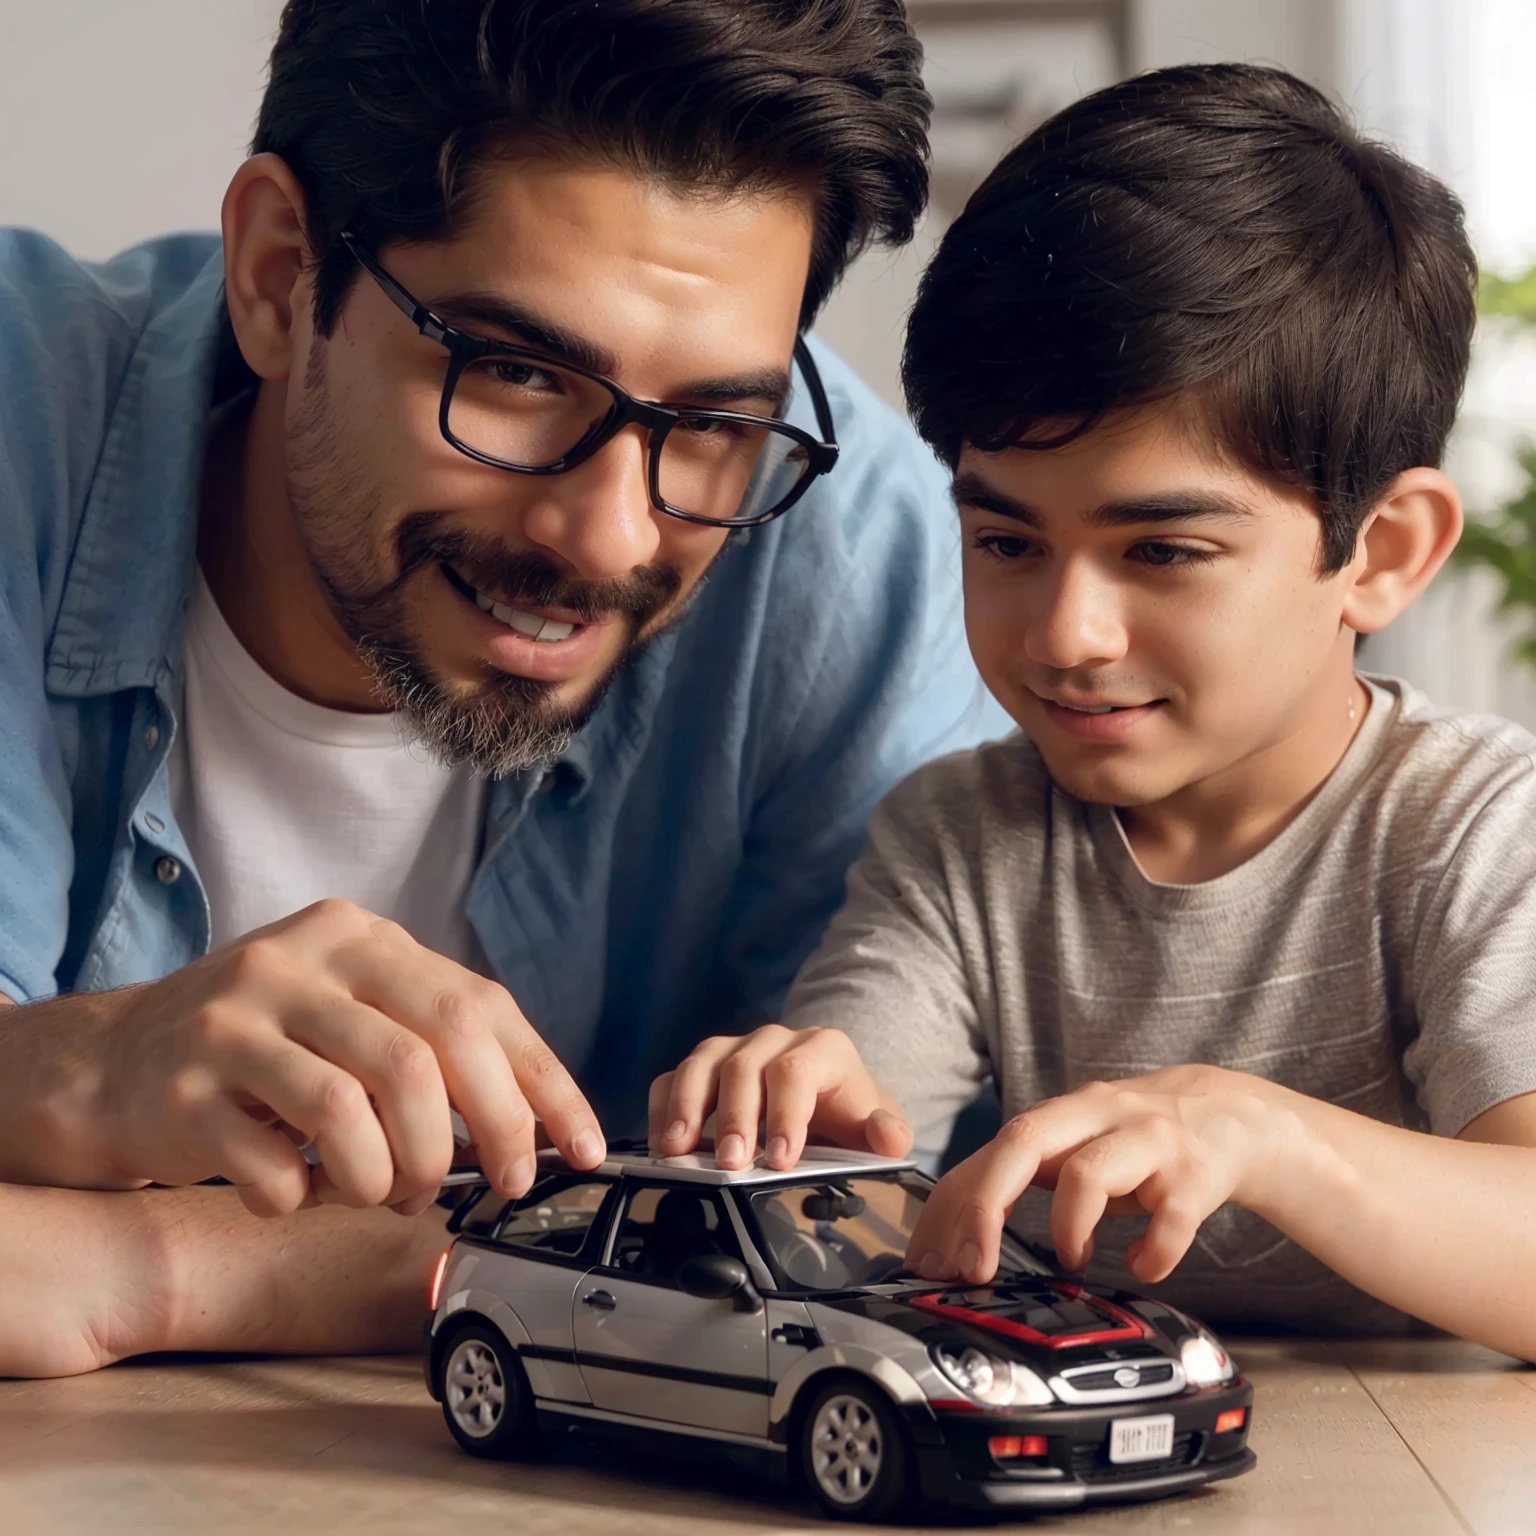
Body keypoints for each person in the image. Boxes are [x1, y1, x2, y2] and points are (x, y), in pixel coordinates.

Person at [0, 0, 1003, 1378]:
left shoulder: (849, 550)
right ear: (282, 275)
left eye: (710, 425)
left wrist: (153, 1269)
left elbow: (865, 1232)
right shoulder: (16, 423)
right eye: (516, 373)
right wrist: (74, 1070)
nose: (609, 540)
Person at [659, 64, 1536, 1362]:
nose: (1066, 637)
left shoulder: (1472, 827)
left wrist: (1260, 1132)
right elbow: (851, 1189)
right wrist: (792, 1126)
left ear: (1384, 551)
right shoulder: (958, 840)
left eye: (1164, 553)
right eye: (1007, 543)